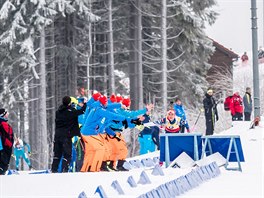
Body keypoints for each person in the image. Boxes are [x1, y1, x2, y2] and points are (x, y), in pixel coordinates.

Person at [51, 96, 86, 173]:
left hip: (57, 135)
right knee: (67, 154)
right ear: (70, 103)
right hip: (66, 136)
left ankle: (54, 170)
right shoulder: (70, 112)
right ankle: (64, 170)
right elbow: (82, 111)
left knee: (57, 154)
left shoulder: (58, 112)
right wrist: (86, 103)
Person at [0, 108, 14, 175]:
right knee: (2, 169)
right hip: (3, 150)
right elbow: (8, 137)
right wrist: (9, 145)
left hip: (3, 149)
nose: (7, 115)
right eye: (5, 114)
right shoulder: (3, 124)